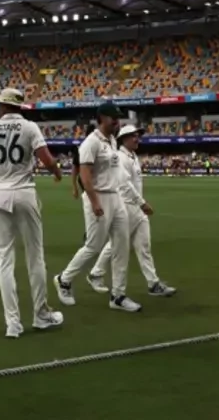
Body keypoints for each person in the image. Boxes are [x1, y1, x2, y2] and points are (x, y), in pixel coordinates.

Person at [0, 88, 66, 338]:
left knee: (5, 260)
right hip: (24, 192)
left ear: (3, 106)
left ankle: (12, 324)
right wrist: (57, 172)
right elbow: (46, 158)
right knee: (35, 256)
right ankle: (40, 315)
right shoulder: (30, 127)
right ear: (20, 107)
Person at [55, 102, 146, 313]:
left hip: (116, 197)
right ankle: (64, 279)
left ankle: (118, 296)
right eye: (112, 117)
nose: (117, 121)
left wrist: (135, 199)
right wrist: (95, 202)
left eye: (118, 117)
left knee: (121, 246)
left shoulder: (112, 141)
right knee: (93, 246)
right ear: (101, 119)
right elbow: (85, 176)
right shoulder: (91, 143)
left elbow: (116, 174)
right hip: (99, 197)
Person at [88, 124, 176, 298]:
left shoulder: (132, 156)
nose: (137, 139)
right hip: (126, 205)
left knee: (144, 247)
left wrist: (140, 205)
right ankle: (96, 273)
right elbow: (124, 184)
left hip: (137, 208)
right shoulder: (120, 157)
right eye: (133, 136)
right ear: (123, 139)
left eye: (138, 136)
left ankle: (153, 283)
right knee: (116, 244)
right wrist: (142, 202)